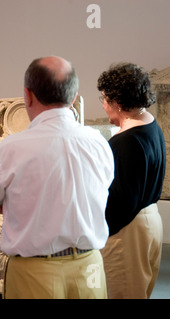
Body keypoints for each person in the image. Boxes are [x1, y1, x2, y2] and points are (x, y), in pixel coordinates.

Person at [0, 56, 115, 299]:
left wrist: (18, 203)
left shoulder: (11, 148)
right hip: (89, 267)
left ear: (27, 95)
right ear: (73, 97)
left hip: (34, 272)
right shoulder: (98, 142)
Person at [97, 63, 166, 299]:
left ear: (118, 102)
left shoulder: (125, 141)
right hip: (149, 222)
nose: (104, 105)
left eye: (104, 99)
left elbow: (121, 200)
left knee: (121, 293)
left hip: (128, 231)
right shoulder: (151, 124)